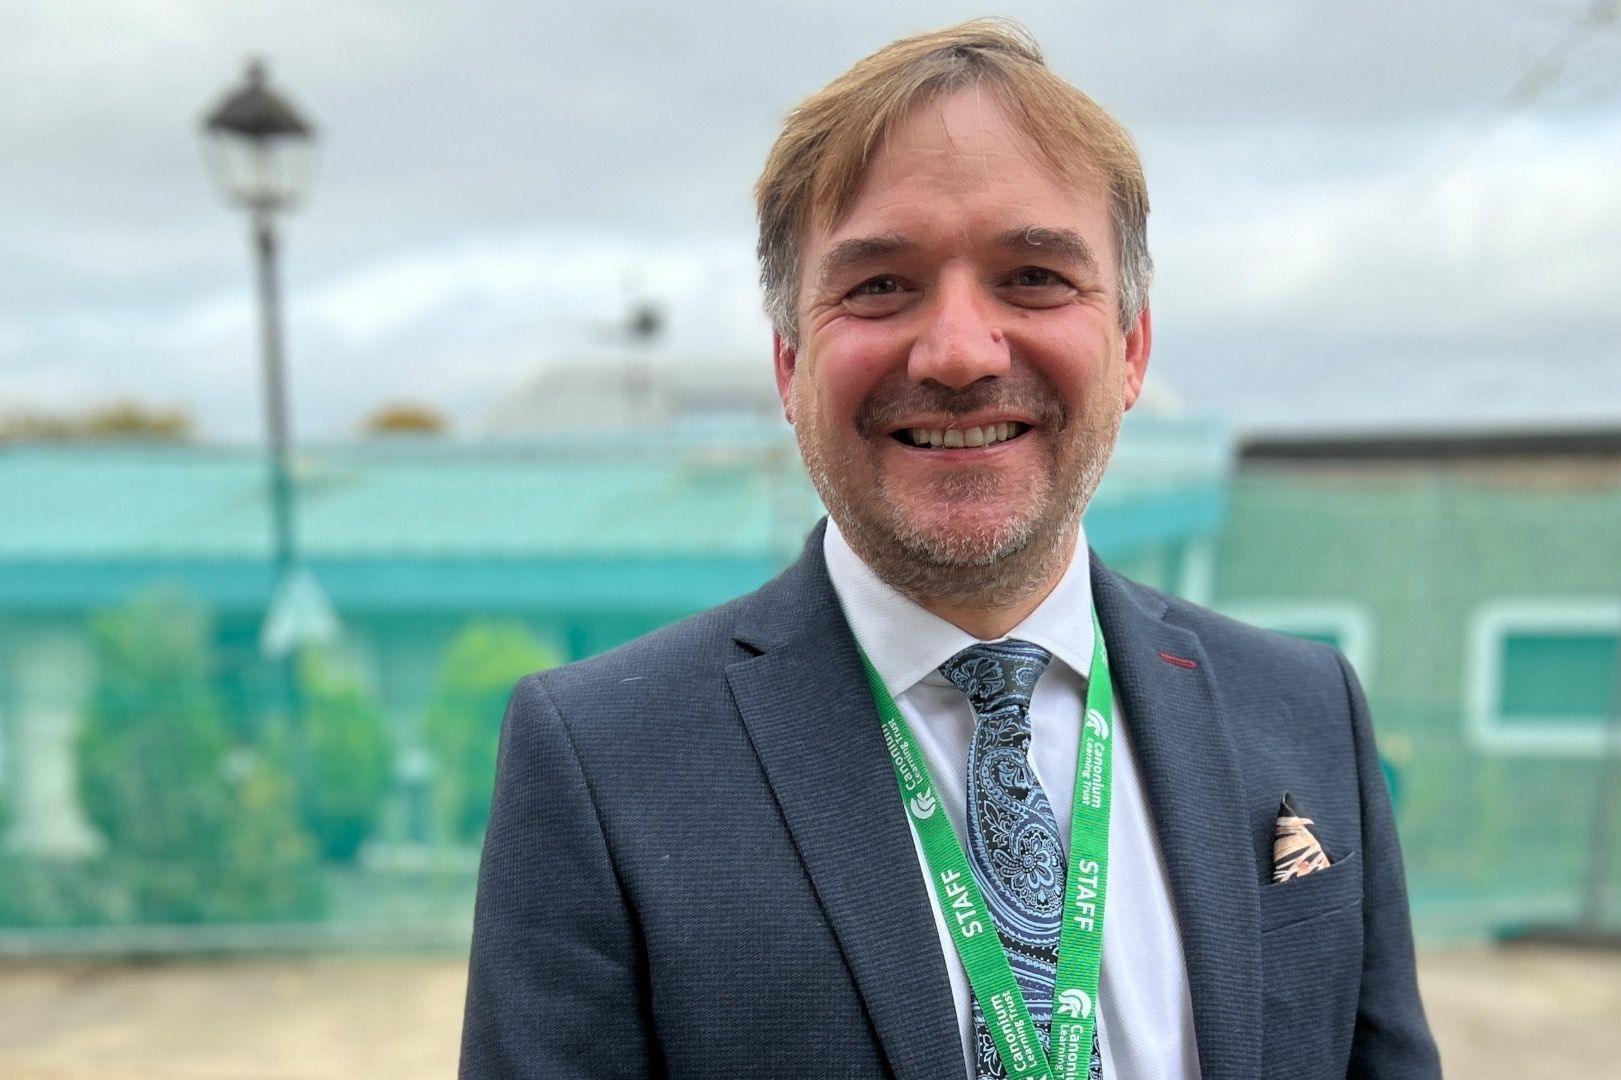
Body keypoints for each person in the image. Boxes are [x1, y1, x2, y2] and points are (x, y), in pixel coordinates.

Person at [460, 18, 1439, 1080]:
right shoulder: (604, 764)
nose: (963, 353)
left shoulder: (1303, 713)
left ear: (1132, 348)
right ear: (790, 365)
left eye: (1034, 277)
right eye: (880, 285)